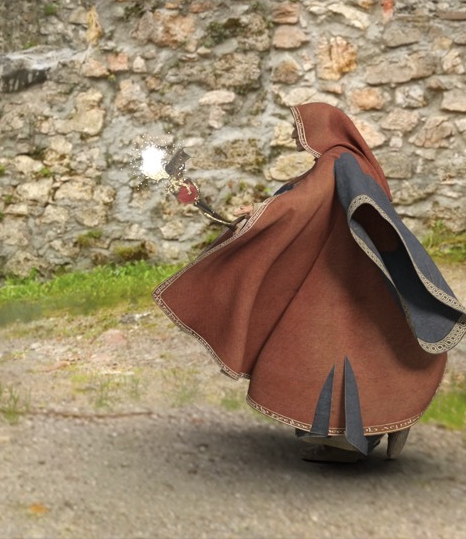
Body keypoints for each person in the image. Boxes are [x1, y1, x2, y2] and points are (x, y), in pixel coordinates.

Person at [153, 102, 466, 463]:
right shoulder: (348, 161)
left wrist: (261, 213)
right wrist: (262, 210)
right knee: (362, 349)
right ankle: (386, 423)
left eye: (298, 126)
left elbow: (304, 202)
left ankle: (349, 444)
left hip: (340, 280)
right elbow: (303, 197)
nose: (293, 134)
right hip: (347, 274)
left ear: (319, 128)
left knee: (323, 352)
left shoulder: (337, 160)